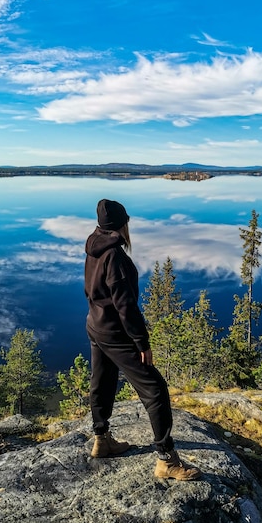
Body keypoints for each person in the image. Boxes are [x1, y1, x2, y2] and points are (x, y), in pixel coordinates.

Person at [84, 198, 201, 481]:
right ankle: (167, 460)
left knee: (102, 381)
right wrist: (141, 343)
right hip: (115, 332)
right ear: (122, 225)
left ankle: (102, 439)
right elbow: (125, 305)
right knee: (156, 390)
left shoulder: (94, 246)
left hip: (95, 325)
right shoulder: (115, 257)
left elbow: (92, 289)